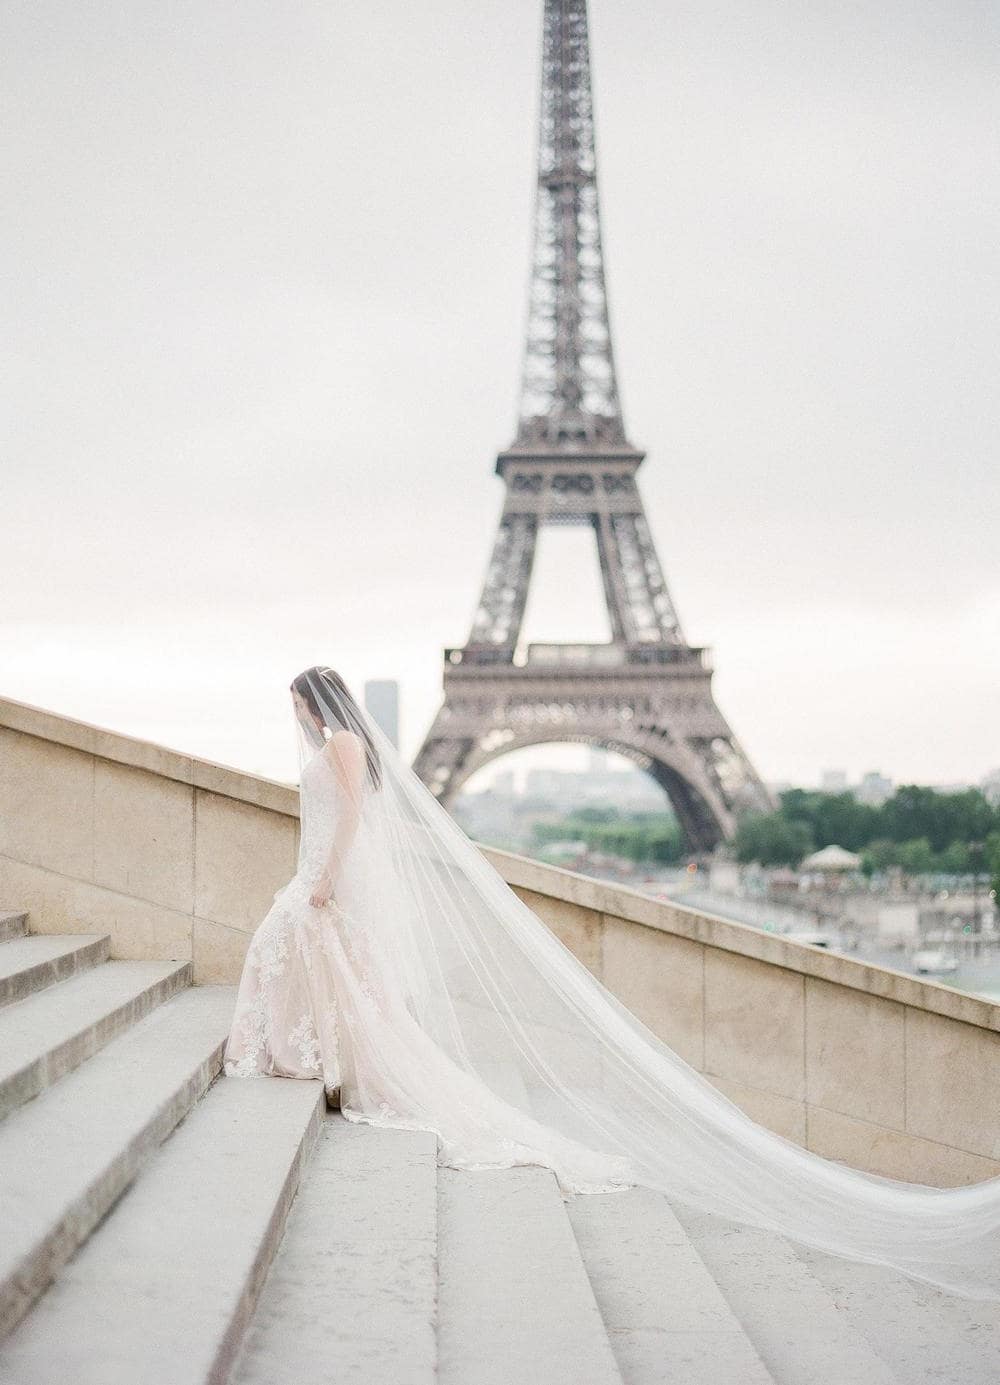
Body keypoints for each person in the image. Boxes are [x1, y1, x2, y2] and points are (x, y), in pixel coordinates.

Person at [225, 665, 1000, 1301]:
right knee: (315, 962)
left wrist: (324, 877)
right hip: (324, 877)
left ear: (314, 698)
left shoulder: (346, 749)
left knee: (313, 959)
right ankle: (320, 1056)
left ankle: (328, 1059)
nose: (293, 713)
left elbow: (353, 821)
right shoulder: (337, 746)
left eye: (295, 701)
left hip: (330, 876)